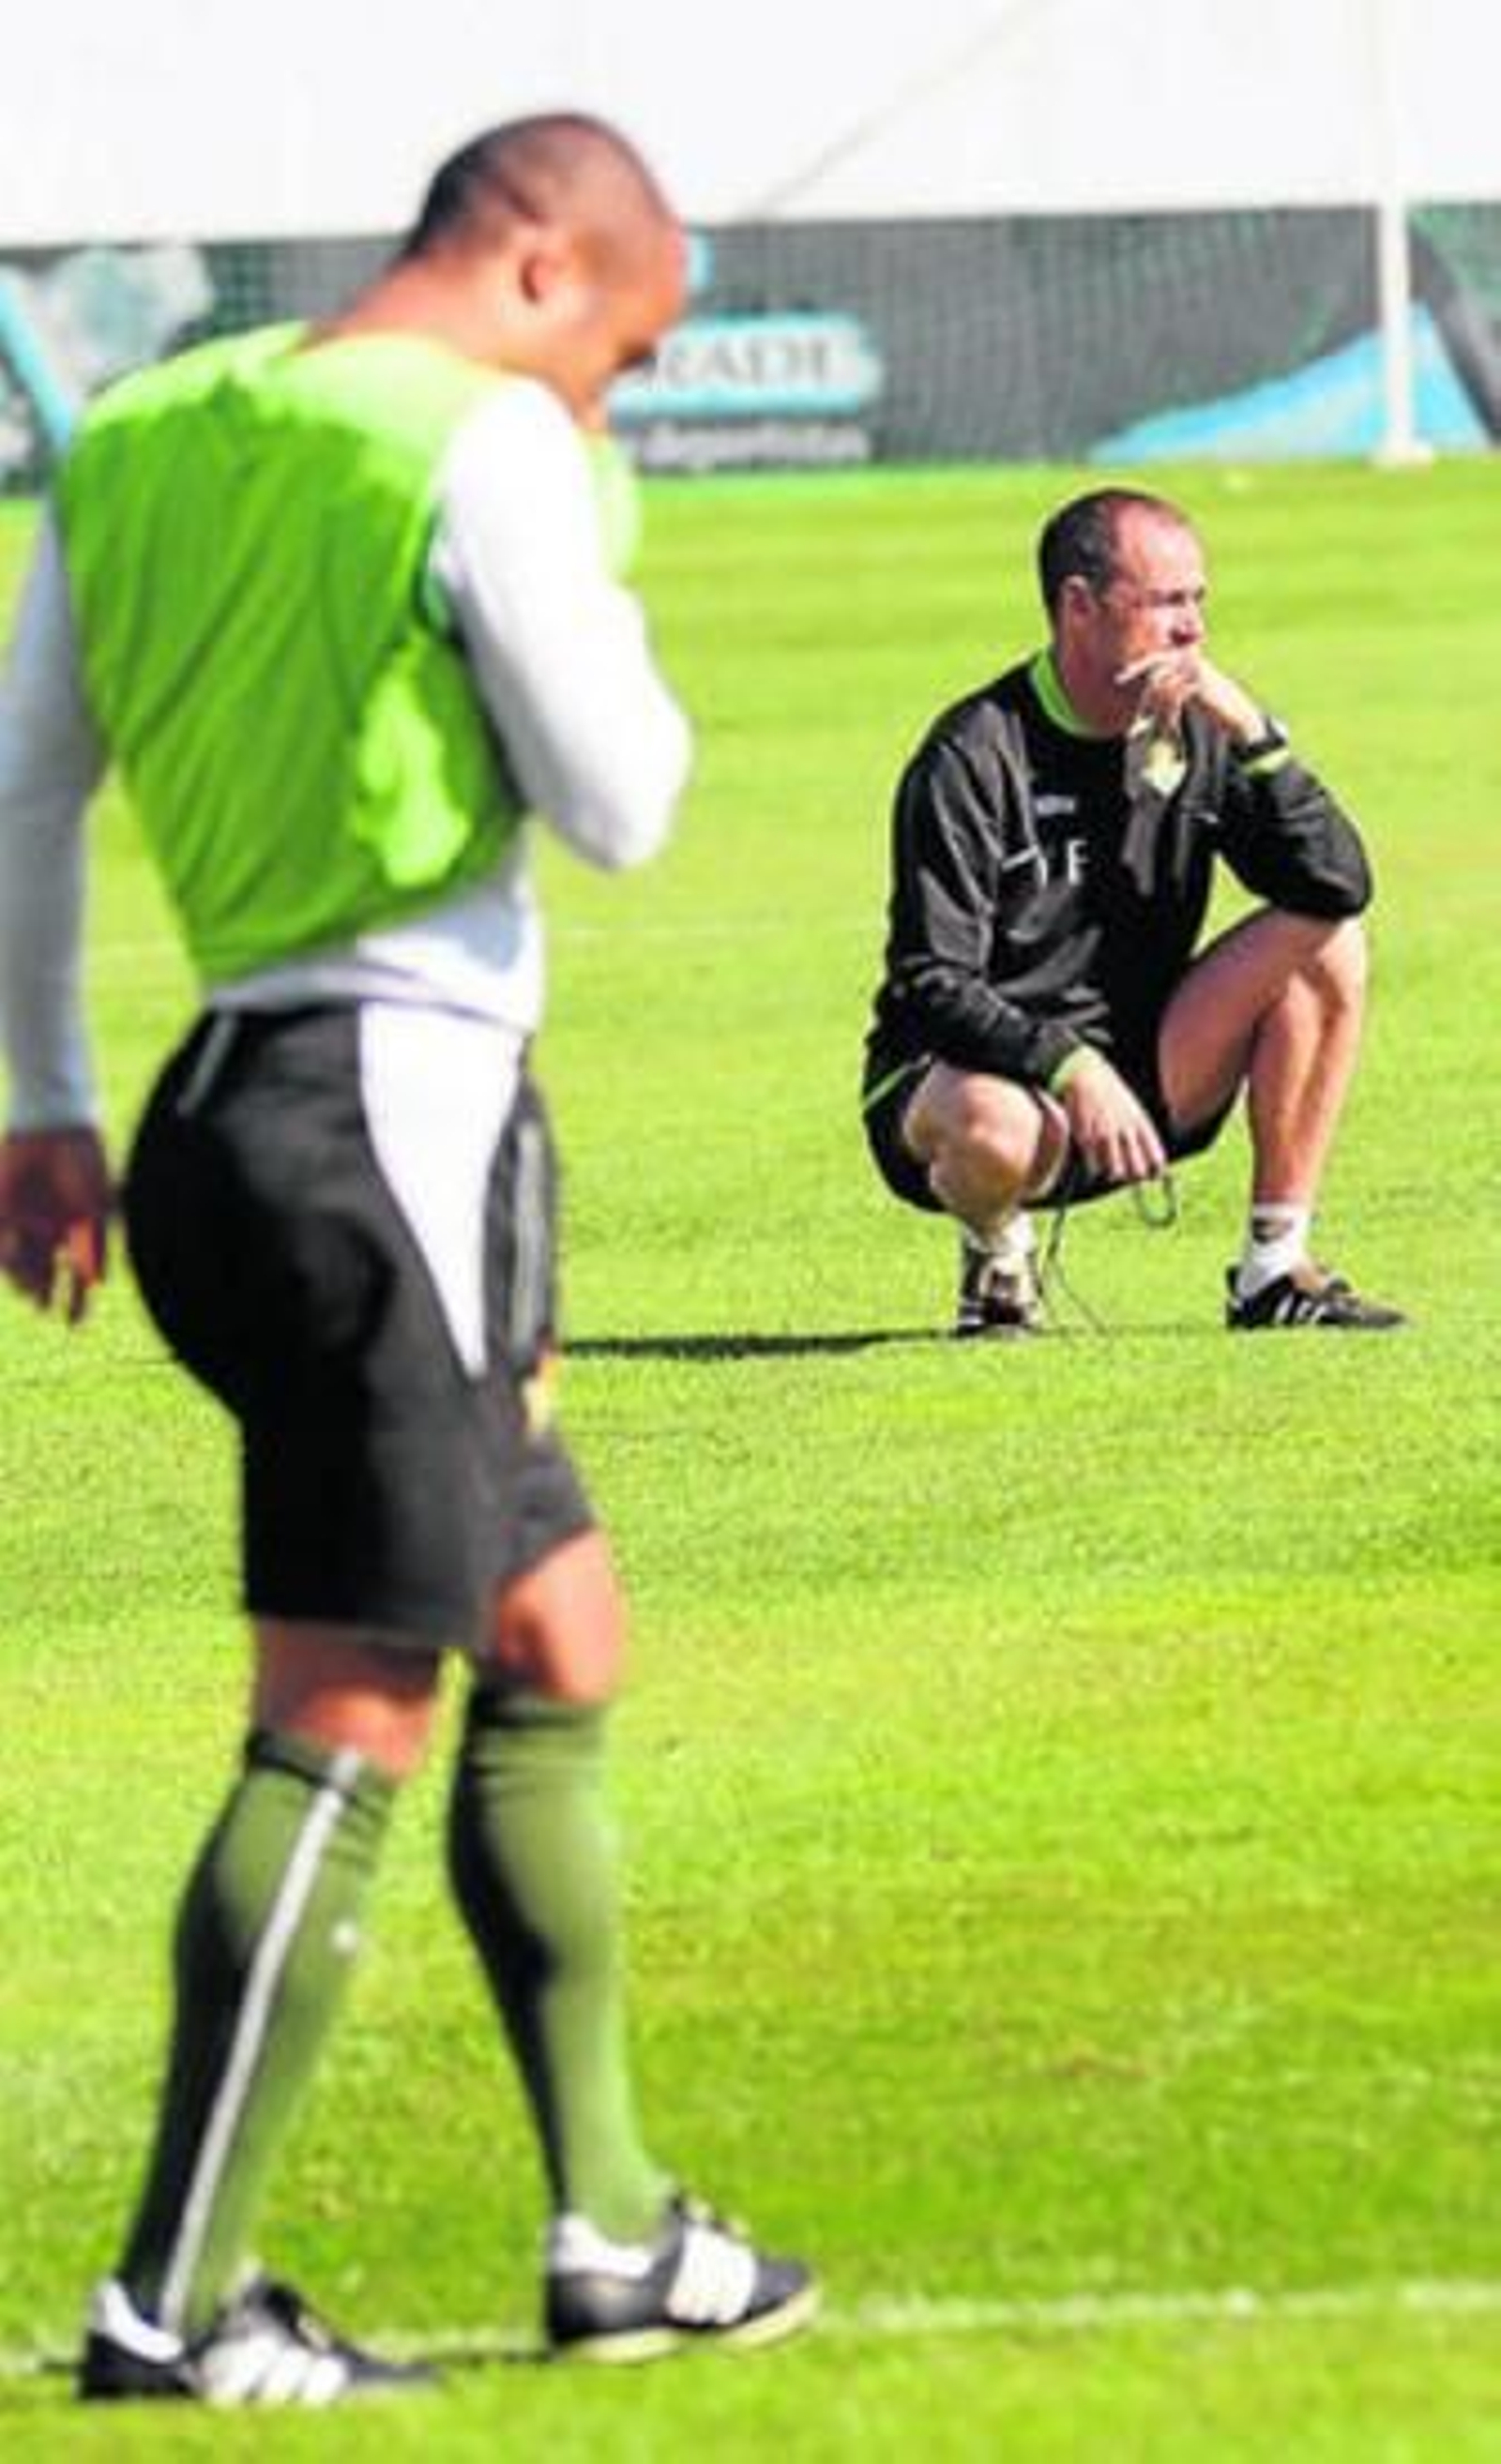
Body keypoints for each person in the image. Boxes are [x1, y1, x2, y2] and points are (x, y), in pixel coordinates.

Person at [0, 113, 815, 2407]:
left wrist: (43, 1100)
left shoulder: (143, 428)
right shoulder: (488, 441)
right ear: (543, 273)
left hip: (231, 1110)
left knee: (559, 1623)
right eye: (622, 357)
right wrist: (592, 532)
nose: (611, 404)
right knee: (348, 1703)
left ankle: (617, 2231)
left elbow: (24, 783)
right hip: (395, 1135)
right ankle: (168, 2308)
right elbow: (623, 798)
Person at [861, 485, 1403, 1338]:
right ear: (1080, 607)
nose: (1192, 629)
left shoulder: (1201, 732)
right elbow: (931, 979)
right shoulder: (973, 753)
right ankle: (998, 1255)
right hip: (968, 1088)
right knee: (992, 1125)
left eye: (1199, 601)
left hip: (1143, 1072)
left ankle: (1275, 1270)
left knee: (1328, 940)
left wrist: (1255, 735)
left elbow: (1338, 884)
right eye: (1165, 603)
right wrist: (1068, 1065)